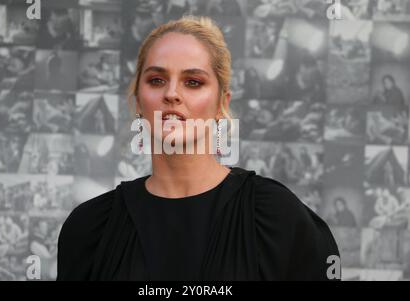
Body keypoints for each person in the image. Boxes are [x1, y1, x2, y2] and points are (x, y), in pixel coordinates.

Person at [57, 16, 339, 281]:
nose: (171, 94)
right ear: (139, 100)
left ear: (222, 104)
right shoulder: (90, 227)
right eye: (157, 80)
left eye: (193, 82)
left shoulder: (276, 217)